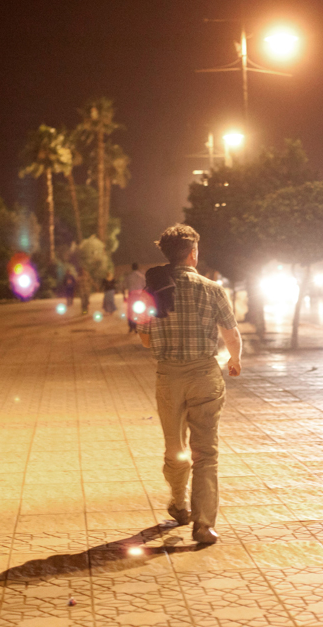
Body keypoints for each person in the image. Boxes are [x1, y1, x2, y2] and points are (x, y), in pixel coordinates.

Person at [138, 224, 242, 545]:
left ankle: (179, 501)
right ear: (193, 253)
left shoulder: (152, 289)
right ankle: (204, 524)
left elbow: (143, 338)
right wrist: (234, 360)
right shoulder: (213, 289)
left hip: (169, 377)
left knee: (176, 447)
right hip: (204, 376)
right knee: (206, 452)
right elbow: (231, 333)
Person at [124, 262, 145, 333]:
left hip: (131, 295)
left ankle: (131, 326)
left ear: (132, 268)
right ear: (138, 268)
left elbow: (124, 286)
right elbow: (145, 286)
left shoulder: (129, 276)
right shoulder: (141, 276)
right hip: (139, 296)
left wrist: (124, 296)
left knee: (130, 311)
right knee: (139, 311)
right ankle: (137, 326)